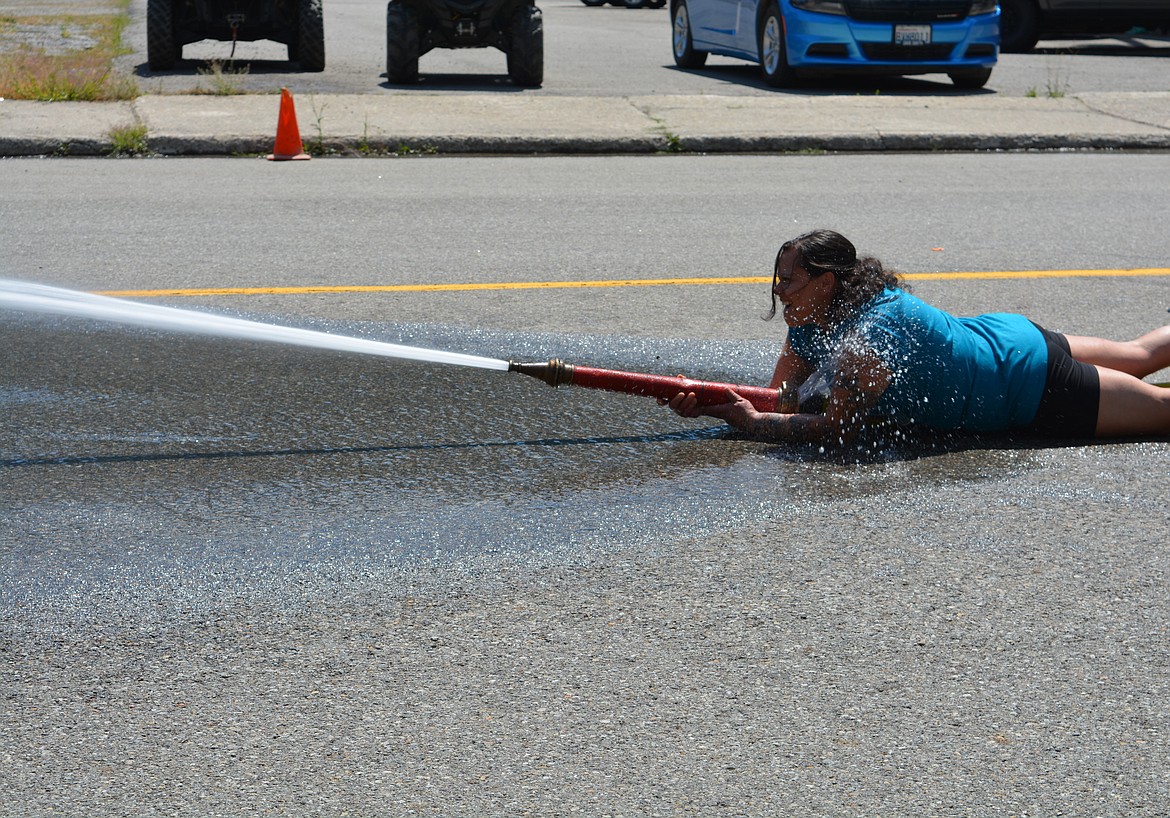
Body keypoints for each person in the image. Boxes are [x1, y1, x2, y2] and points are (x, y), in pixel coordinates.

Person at [665, 229, 1170, 445]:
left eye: (790, 281)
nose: (780, 291)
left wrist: (752, 425)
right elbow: (783, 400)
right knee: (1142, 355)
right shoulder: (808, 323)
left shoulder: (871, 335)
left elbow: (836, 428)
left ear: (825, 282)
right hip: (1003, 335)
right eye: (778, 279)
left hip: (1028, 383)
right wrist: (711, 402)